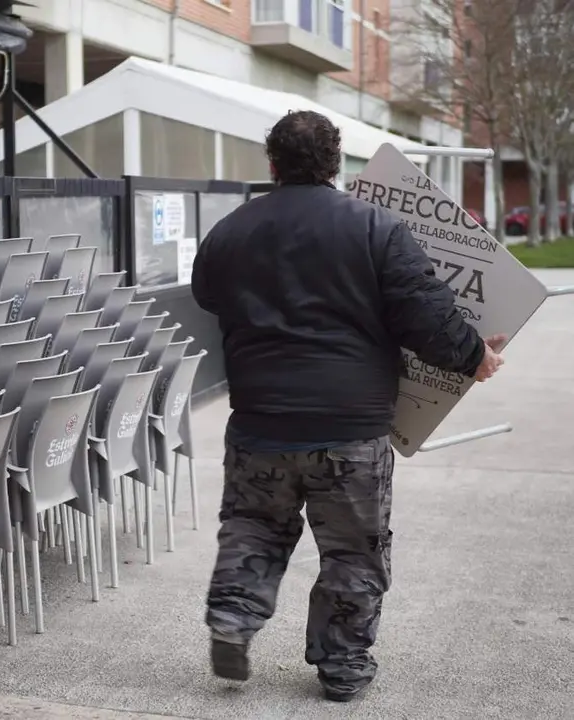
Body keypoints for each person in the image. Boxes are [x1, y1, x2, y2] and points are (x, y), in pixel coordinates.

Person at [191, 110, 505, 703]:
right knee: (353, 551)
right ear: (336, 163)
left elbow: (207, 293)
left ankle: (233, 620)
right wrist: (474, 357)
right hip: (350, 430)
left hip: (261, 423)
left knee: (254, 528)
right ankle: (342, 668)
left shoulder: (230, 231)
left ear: (273, 163)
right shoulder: (375, 229)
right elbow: (426, 313)